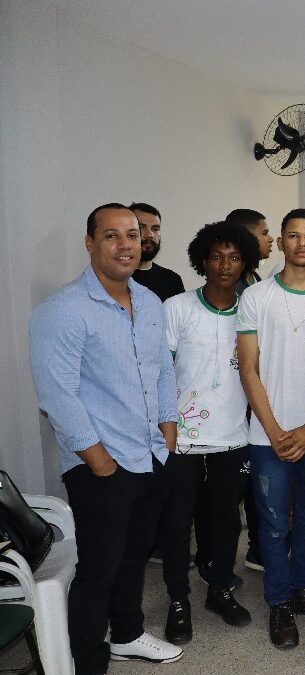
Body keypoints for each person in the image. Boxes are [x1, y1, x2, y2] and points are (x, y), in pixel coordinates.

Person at [29, 203, 182, 673]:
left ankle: (128, 634)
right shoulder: (64, 309)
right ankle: (87, 661)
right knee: (99, 569)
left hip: (150, 456)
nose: (125, 245)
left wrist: (168, 433)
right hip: (102, 465)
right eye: (112, 236)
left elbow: (162, 372)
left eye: (133, 236)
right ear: (90, 242)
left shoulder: (151, 303)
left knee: (135, 557)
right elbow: (58, 393)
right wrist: (97, 459)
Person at [236, 208, 305, 649]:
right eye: (294, 235)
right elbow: (248, 370)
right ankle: (279, 601)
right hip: (267, 435)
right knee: (271, 524)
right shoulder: (256, 298)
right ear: (281, 243)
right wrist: (275, 429)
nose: (303, 243)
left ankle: (303, 589)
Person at [159, 221, 261, 645]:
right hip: (180, 440)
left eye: (234, 257)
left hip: (232, 437)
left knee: (225, 524)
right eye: (216, 256)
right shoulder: (178, 307)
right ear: (202, 259)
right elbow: (161, 372)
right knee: (177, 524)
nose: (225, 265)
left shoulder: (251, 310)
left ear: (246, 263)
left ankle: (220, 589)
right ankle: (178, 600)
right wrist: (165, 430)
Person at [224, 207, 272, 571]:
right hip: (238, 400)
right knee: (242, 485)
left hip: (254, 395)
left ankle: (261, 546)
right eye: (264, 232)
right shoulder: (238, 289)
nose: (270, 239)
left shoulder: (256, 279)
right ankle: (251, 550)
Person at [130, 202, 185, 301]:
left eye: (155, 228)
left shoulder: (172, 280)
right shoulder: (116, 277)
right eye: (141, 227)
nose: (150, 234)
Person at [226, 208, 274, 292]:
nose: (271, 239)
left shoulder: (254, 278)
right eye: (264, 233)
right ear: (246, 238)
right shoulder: (230, 285)